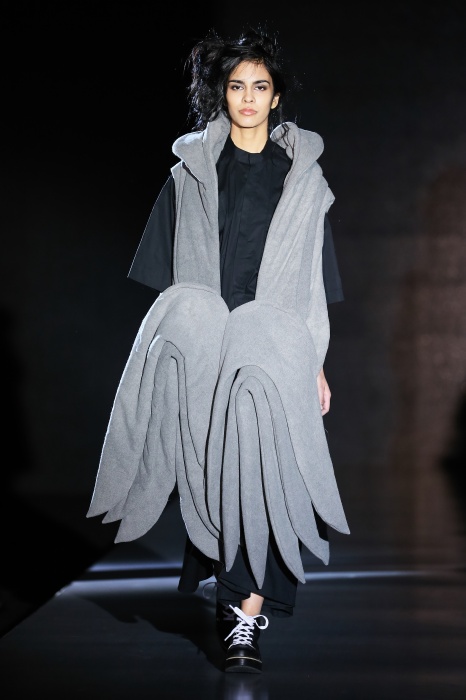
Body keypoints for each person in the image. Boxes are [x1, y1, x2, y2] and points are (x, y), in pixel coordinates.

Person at [87, 26, 350, 674]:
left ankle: (244, 621)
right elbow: (168, 282)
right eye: (237, 86)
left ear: (277, 95)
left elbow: (314, 280)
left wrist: (314, 362)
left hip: (273, 346)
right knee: (216, 475)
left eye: (260, 86)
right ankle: (232, 597)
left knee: (266, 474)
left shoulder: (302, 180)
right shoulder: (192, 174)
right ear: (222, 94)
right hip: (211, 343)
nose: (249, 98)